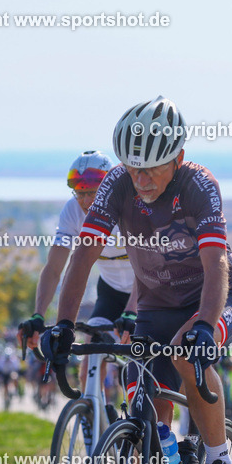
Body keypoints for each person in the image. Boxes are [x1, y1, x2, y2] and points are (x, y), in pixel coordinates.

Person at [43, 96, 232, 464]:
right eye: (132, 167)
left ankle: (218, 460)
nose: (140, 179)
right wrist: (63, 325)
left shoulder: (199, 185)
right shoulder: (117, 184)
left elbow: (215, 266)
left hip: (215, 297)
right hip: (157, 305)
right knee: (144, 408)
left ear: (177, 157)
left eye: (152, 167)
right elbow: (82, 257)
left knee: (185, 353)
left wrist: (206, 326)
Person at [18, 150, 137, 378]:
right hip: (110, 291)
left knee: (144, 369)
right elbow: (54, 268)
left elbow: (147, 270)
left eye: (92, 193)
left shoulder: (130, 208)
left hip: (146, 290)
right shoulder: (72, 211)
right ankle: (90, 410)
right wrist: (38, 316)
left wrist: (132, 312)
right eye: (79, 193)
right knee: (89, 363)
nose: (85, 201)